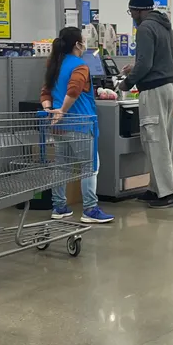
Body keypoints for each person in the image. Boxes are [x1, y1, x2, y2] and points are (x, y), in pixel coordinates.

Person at [40, 27, 114, 224]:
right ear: (77, 44)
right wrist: (63, 110)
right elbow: (74, 90)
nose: (84, 45)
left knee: (61, 166)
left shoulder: (54, 63)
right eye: (83, 41)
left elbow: (45, 92)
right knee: (89, 167)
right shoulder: (80, 66)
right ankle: (90, 208)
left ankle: (59, 207)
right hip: (80, 124)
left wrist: (51, 111)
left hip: (58, 126)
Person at [120, 0, 173, 209]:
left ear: (138, 10)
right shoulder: (166, 26)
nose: (132, 16)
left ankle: (170, 193)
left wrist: (126, 83)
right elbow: (160, 57)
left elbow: (146, 64)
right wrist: (136, 66)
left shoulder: (145, 28)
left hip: (154, 88)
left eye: (131, 12)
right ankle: (156, 189)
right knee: (164, 139)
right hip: (169, 86)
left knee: (154, 141)